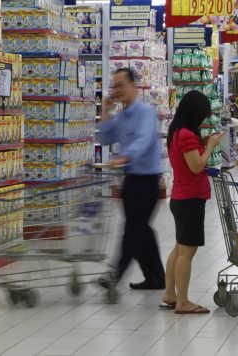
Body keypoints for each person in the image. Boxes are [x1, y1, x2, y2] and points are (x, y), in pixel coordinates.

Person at [98, 68, 166, 290]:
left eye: (120, 85)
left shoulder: (145, 112)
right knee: (142, 231)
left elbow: (144, 140)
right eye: (114, 86)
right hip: (130, 180)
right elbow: (106, 136)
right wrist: (106, 112)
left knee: (133, 230)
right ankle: (156, 278)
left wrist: (125, 156)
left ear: (133, 86)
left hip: (147, 181)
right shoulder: (122, 116)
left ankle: (114, 275)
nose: (116, 90)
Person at [160, 91, 223, 314]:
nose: (204, 120)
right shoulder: (186, 135)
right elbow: (196, 166)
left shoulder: (177, 132)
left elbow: (189, 161)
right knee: (187, 252)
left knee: (179, 248)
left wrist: (204, 143)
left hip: (181, 197)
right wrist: (210, 145)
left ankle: (170, 293)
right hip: (190, 199)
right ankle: (183, 301)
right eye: (202, 115)